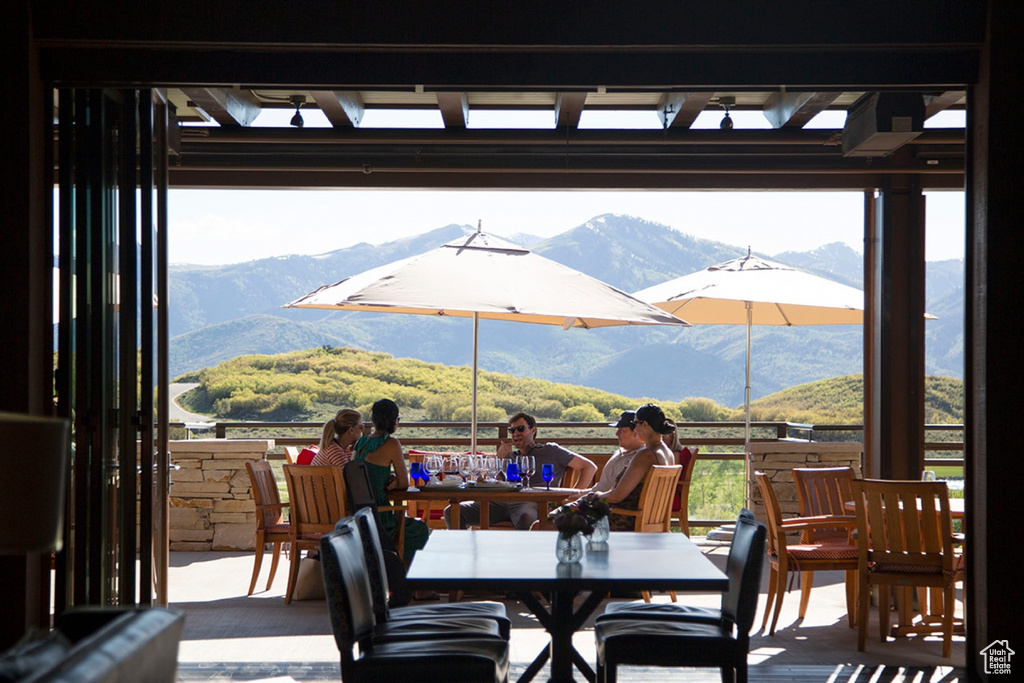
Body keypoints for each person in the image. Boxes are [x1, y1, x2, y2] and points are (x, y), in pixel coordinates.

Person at [444, 411, 597, 530]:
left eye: (520, 429)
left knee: (526, 517)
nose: (515, 433)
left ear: (533, 430)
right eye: (512, 430)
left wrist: (574, 495)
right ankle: (462, 554)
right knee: (453, 511)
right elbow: (493, 481)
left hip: (531, 502)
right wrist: (499, 460)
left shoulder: (550, 450)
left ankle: (524, 560)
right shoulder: (509, 455)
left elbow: (589, 467)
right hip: (500, 502)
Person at [353, 399, 430, 564]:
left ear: (373, 420)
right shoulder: (392, 444)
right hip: (381, 515)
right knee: (420, 530)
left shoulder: (360, 442)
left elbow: (357, 473)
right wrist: (395, 480)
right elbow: (405, 483)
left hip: (357, 513)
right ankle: (408, 580)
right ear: (395, 421)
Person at [582, 403, 675, 531]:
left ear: (645, 425)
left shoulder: (646, 455)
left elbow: (616, 496)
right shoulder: (668, 454)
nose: (634, 428)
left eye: (635, 423)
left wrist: (595, 495)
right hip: (651, 521)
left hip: (625, 520)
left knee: (564, 518)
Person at [588, 410, 644, 493]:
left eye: (622, 431)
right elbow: (600, 488)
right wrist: (578, 494)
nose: (617, 434)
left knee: (567, 503)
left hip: (605, 502)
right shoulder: (618, 452)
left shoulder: (640, 459)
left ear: (636, 433)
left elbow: (616, 494)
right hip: (595, 497)